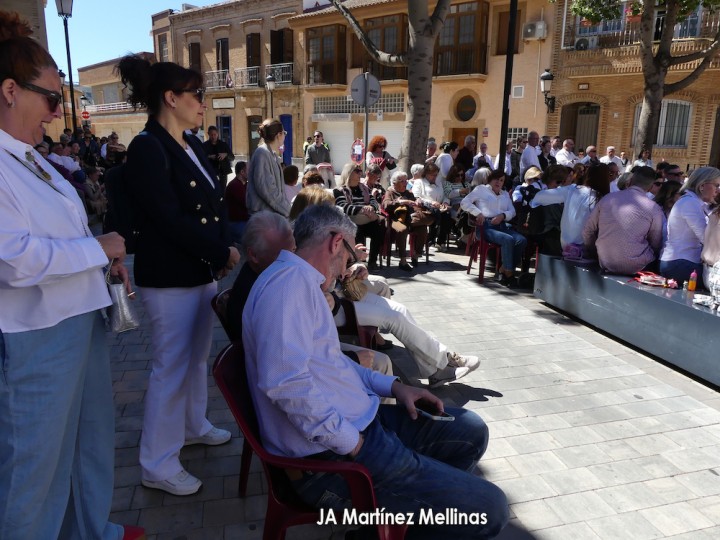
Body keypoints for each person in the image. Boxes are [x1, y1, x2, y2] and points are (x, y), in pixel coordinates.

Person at [242, 204, 508, 539]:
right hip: (331, 461)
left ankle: (395, 521)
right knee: (489, 510)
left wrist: (395, 387)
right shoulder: (288, 287)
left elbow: (335, 363)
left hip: (361, 427)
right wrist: (353, 444)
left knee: (471, 429)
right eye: (349, 256)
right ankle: (404, 512)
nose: (347, 268)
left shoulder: (303, 283)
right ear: (336, 242)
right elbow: (286, 385)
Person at [0, 11, 140, 540]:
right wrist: (95, 248)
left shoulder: (29, 157)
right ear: (10, 91)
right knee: (33, 471)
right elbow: (14, 259)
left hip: (78, 322)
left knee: (87, 447)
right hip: (37, 335)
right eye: (51, 99)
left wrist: (102, 261)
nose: (59, 113)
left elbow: (59, 236)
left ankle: (89, 531)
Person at [117, 54, 240, 497]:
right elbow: (168, 218)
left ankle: (192, 425)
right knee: (170, 368)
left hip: (199, 269)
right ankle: (157, 463)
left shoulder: (189, 143)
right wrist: (220, 250)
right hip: (169, 277)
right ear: (171, 98)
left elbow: (214, 204)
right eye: (197, 94)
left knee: (195, 360)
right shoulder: (147, 147)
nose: (203, 103)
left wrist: (222, 249)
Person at [583, 166, 664, 275]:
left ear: (630, 181)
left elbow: (588, 230)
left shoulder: (607, 198)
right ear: (650, 187)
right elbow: (656, 242)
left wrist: (594, 252)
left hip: (605, 261)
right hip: (639, 265)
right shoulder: (654, 208)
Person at [461, 170, 527, 286]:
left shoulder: (505, 194)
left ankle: (503, 269)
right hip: (485, 227)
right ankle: (509, 274)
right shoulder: (481, 189)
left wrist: (503, 216)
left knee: (521, 240)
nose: (498, 182)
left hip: (502, 226)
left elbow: (512, 211)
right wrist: (477, 212)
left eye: (501, 180)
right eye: (496, 179)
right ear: (490, 179)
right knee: (508, 239)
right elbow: (464, 202)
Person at [660, 167, 720, 288]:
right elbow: (706, 239)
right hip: (680, 263)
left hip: (681, 262)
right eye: (716, 185)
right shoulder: (690, 203)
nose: (718, 190)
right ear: (702, 186)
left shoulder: (693, 202)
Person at [531, 163, 611, 249]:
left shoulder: (572, 190)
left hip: (566, 247)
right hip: (586, 249)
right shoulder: (604, 199)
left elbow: (539, 197)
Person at [334, 162, 385, 270]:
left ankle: (372, 261)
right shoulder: (339, 191)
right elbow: (343, 207)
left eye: (360, 171)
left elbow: (374, 202)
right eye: (357, 171)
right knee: (357, 232)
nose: (360, 173)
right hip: (351, 222)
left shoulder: (364, 188)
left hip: (367, 220)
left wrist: (371, 207)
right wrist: (362, 209)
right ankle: (359, 262)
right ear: (349, 172)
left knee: (378, 229)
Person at [246, 118, 289, 217]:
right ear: (278, 135)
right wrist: (290, 212)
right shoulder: (262, 154)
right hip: (264, 218)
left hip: (272, 216)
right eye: (284, 133)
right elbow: (269, 192)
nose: (284, 136)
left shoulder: (271, 154)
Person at [412, 162, 452, 251]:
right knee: (435, 214)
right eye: (432, 175)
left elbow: (446, 195)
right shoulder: (419, 182)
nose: (434, 177)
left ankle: (441, 242)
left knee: (446, 215)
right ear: (426, 174)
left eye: (436, 175)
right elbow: (416, 197)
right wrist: (432, 202)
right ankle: (431, 241)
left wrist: (445, 203)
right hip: (426, 208)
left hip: (440, 207)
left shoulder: (439, 183)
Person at [202, 125, 234, 191]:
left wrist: (225, 155)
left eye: (215, 134)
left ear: (217, 134)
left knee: (223, 190)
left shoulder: (223, 144)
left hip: (222, 172)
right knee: (212, 189)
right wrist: (209, 157)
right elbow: (201, 158)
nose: (213, 137)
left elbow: (232, 157)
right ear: (208, 134)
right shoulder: (204, 145)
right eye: (211, 135)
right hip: (210, 171)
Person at [225, 160, 249, 244]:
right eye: (249, 170)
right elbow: (248, 204)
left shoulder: (245, 184)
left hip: (243, 221)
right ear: (242, 172)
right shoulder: (235, 185)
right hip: (236, 223)